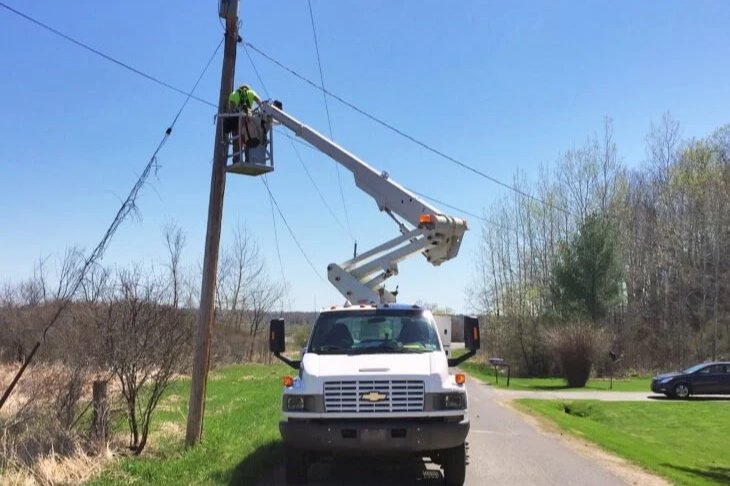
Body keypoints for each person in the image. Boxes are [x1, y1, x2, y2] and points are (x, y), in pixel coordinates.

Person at [225, 84, 262, 164]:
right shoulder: (251, 92)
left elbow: (231, 107)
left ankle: (236, 160)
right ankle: (248, 160)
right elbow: (259, 102)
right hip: (247, 121)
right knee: (247, 139)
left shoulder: (234, 93)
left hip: (236, 121)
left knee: (236, 141)